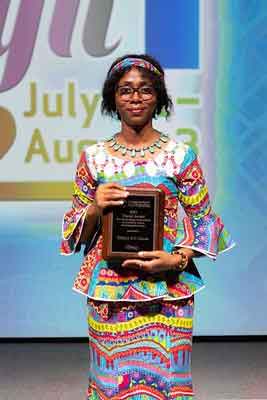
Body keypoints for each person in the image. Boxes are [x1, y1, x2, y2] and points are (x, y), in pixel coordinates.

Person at [61, 54, 235, 400]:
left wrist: (178, 260)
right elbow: (73, 230)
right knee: (111, 387)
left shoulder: (180, 155)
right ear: (113, 97)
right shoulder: (93, 158)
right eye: (126, 90)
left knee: (168, 386)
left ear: (160, 97)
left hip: (167, 291)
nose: (135, 98)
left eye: (145, 90)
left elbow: (205, 221)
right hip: (110, 293)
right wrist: (96, 206)